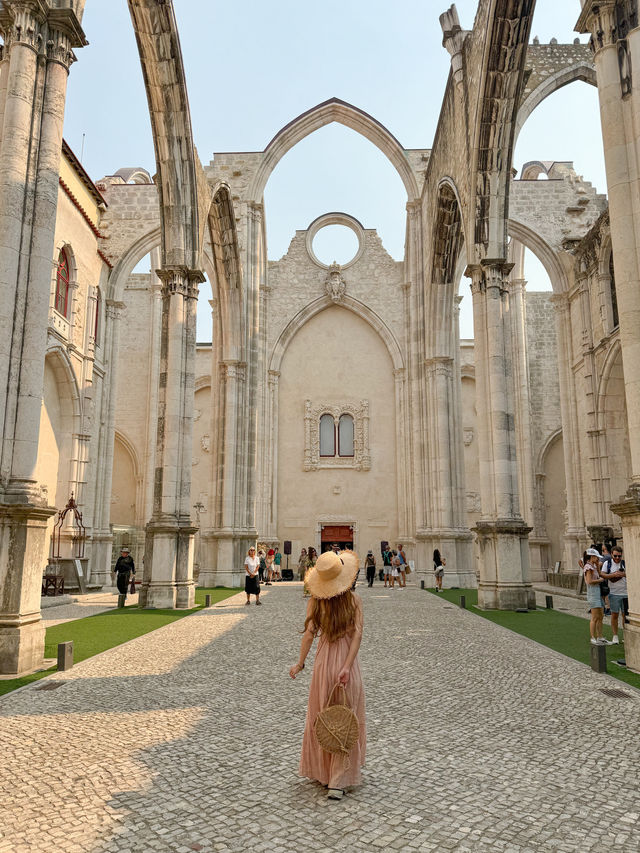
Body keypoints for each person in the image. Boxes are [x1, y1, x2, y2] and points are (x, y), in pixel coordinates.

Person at [289, 550, 366, 801]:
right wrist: (346, 666)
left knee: (324, 716)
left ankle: (324, 773)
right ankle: (338, 780)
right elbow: (357, 635)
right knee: (345, 717)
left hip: (323, 663)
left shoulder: (316, 601)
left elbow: (309, 634)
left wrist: (300, 663)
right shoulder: (354, 600)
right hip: (345, 662)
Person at [600, 546, 628, 644]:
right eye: (615, 556)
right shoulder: (607, 563)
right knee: (614, 615)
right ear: (611, 554)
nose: (617, 558)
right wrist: (614, 575)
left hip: (626, 593)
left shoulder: (625, 563)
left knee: (626, 616)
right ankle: (615, 635)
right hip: (614, 593)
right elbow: (602, 574)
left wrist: (623, 574)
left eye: (619, 556)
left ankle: (626, 635)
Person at [583, 547, 610, 645]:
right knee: (595, 617)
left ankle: (600, 636)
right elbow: (589, 581)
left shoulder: (592, 566)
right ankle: (593, 637)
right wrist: (600, 580)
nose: (598, 559)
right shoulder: (588, 567)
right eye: (596, 557)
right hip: (593, 592)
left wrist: (598, 568)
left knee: (600, 616)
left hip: (597, 591)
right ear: (592, 556)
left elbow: (599, 574)